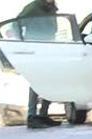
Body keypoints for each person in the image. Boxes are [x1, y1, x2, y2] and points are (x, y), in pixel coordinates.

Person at [17, 0, 61, 129]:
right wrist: (22, 42)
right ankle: (32, 116)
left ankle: (43, 114)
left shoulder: (52, 9)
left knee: (49, 80)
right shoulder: (33, 7)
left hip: (49, 48)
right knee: (36, 81)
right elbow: (17, 23)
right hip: (35, 48)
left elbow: (53, 30)